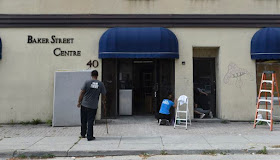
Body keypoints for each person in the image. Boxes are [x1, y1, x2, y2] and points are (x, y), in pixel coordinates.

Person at [77, 70, 106, 141]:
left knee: (83, 120)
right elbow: (104, 94)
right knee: (90, 121)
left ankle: (83, 134)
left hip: (84, 104)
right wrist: (103, 102)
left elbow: (82, 92)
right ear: (97, 75)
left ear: (91, 75)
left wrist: (79, 102)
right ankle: (89, 136)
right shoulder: (100, 84)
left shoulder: (87, 82)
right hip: (93, 106)